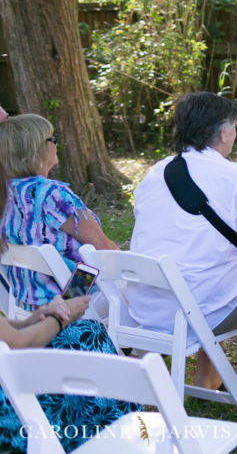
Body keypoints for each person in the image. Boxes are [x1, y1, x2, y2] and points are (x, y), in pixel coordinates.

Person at [129, 92, 237, 392]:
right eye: (234, 127)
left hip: (145, 308)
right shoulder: (234, 177)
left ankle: (208, 377)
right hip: (199, 311)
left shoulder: (154, 173)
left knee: (214, 267)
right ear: (223, 132)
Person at [0, 160, 139, 453]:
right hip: (9, 416)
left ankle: (122, 427)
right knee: (86, 334)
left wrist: (36, 317)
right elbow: (18, 344)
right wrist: (63, 317)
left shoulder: (24, 191)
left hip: (20, 339)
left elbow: (9, 333)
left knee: (86, 332)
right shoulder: (52, 195)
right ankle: (120, 437)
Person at [0, 114, 118, 309]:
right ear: (37, 148)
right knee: (147, 294)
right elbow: (103, 248)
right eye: (52, 139)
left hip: (28, 304)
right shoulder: (51, 194)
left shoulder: (5, 194)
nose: (56, 144)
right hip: (73, 298)